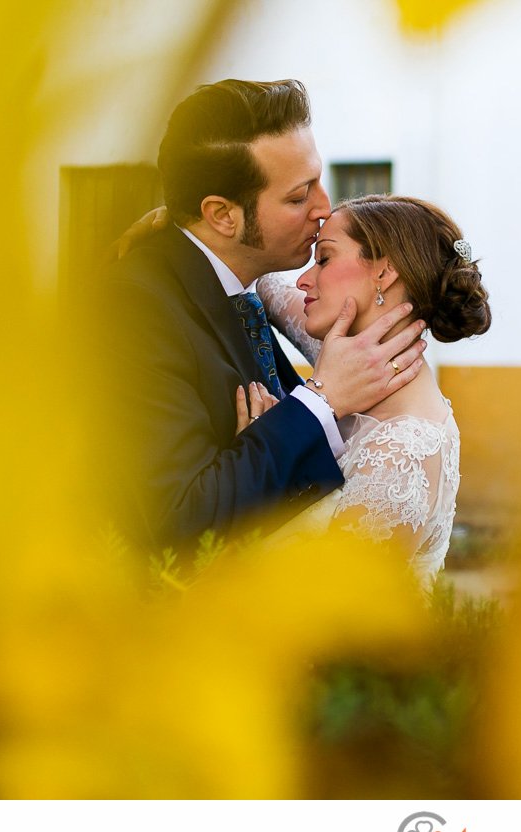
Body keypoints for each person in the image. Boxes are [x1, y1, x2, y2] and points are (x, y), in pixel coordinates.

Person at [95, 79, 427, 549]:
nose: (324, 209)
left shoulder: (240, 287)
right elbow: (177, 522)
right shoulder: (133, 309)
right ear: (222, 215)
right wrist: (321, 400)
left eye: (318, 183)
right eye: (298, 197)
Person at [253, 195, 491, 583]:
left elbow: (327, 607)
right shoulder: (359, 360)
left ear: (383, 274)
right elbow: (269, 289)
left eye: (324, 258)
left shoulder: (402, 454)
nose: (304, 279)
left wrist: (266, 455)